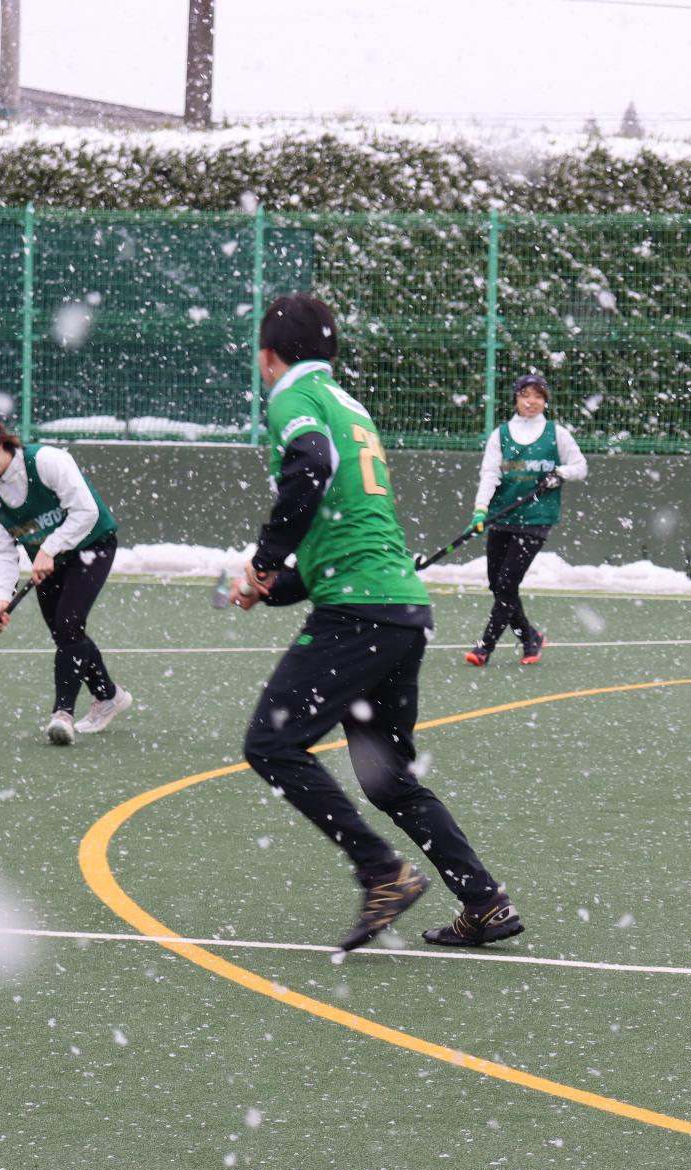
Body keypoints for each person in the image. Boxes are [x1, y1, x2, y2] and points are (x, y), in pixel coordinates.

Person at [231, 292, 521, 952]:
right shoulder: (349, 404)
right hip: (399, 611)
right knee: (388, 778)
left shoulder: (291, 398)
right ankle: (484, 901)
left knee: (270, 745)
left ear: (270, 357)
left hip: (359, 613)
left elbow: (308, 467)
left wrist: (266, 554)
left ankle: (381, 870)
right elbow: (340, 526)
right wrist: (274, 586)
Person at [0, 413, 131, 745]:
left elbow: (86, 511)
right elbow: (3, 549)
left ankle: (62, 715)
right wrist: (1, 597)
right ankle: (109, 696)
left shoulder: (47, 461)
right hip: (48, 559)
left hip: (92, 544)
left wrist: (50, 547)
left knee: (68, 624)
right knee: (65, 632)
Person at [465, 374, 588, 665]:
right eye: (525, 395)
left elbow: (580, 467)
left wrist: (560, 474)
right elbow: (490, 474)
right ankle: (529, 636)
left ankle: (485, 646)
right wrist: (481, 509)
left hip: (535, 519)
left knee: (507, 583)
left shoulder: (557, 434)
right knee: (497, 584)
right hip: (502, 516)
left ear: (545, 401)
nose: (531, 402)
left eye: (538, 396)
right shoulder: (501, 434)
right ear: (516, 398)